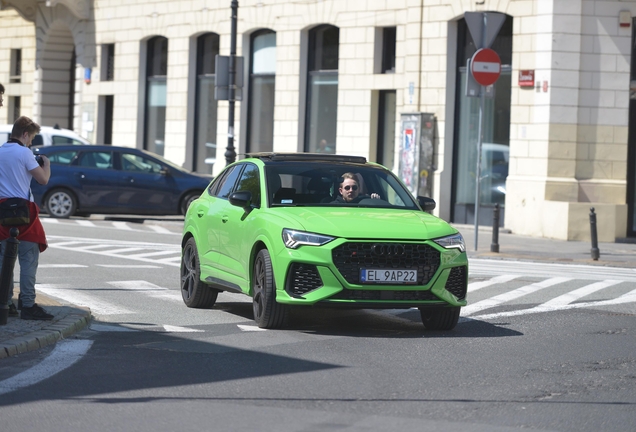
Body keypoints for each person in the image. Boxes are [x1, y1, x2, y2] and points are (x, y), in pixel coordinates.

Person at [0, 116, 52, 320]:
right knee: (28, 260)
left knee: (5, 261)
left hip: (2, 212)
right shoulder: (25, 153)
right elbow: (43, 179)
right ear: (24, 134)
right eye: (31, 138)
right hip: (24, 214)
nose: (31, 142)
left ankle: (5, 304)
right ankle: (28, 305)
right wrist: (46, 164)